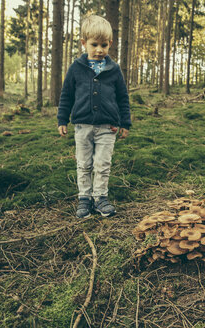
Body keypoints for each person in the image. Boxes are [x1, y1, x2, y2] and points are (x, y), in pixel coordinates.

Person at [57, 15, 131, 218]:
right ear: (84, 43)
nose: (99, 50)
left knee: (102, 163)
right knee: (84, 163)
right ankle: (84, 198)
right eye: (94, 44)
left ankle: (100, 198)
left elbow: (123, 98)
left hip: (108, 127)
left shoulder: (114, 70)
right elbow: (66, 96)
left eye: (104, 45)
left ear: (110, 44)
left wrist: (125, 122)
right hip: (82, 127)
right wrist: (62, 120)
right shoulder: (76, 69)